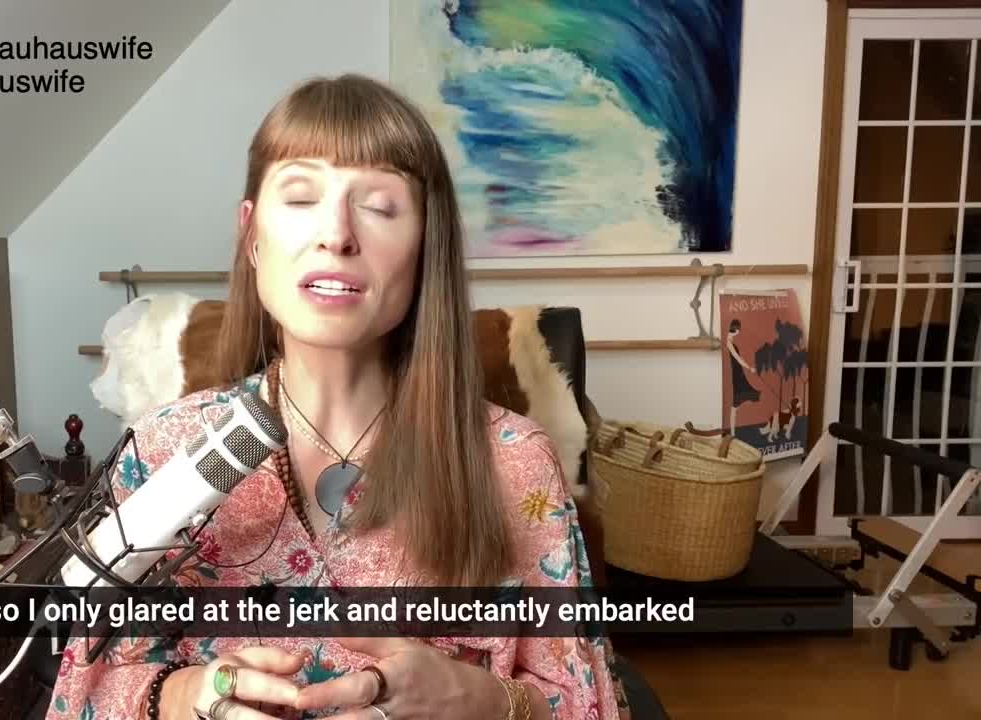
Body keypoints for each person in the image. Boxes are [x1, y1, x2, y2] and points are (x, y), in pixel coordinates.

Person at [47, 74, 630, 720]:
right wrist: (181, 696)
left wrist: (483, 699)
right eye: (301, 197)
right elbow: (83, 692)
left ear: (425, 245)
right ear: (251, 234)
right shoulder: (164, 448)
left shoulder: (514, 462)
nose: (336, 234)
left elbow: (592, 705)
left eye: (379, 206)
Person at [725, 319, 759, 432]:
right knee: (735, 405)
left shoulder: (730, 341)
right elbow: (738, 359)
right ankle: (732, 431)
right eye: (739, 330)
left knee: (737, 403)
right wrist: (750, 368)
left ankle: (732, 431)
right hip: (737, 374)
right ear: (736, 329)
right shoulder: (728, 342)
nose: (739, 332)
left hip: (738, 372)